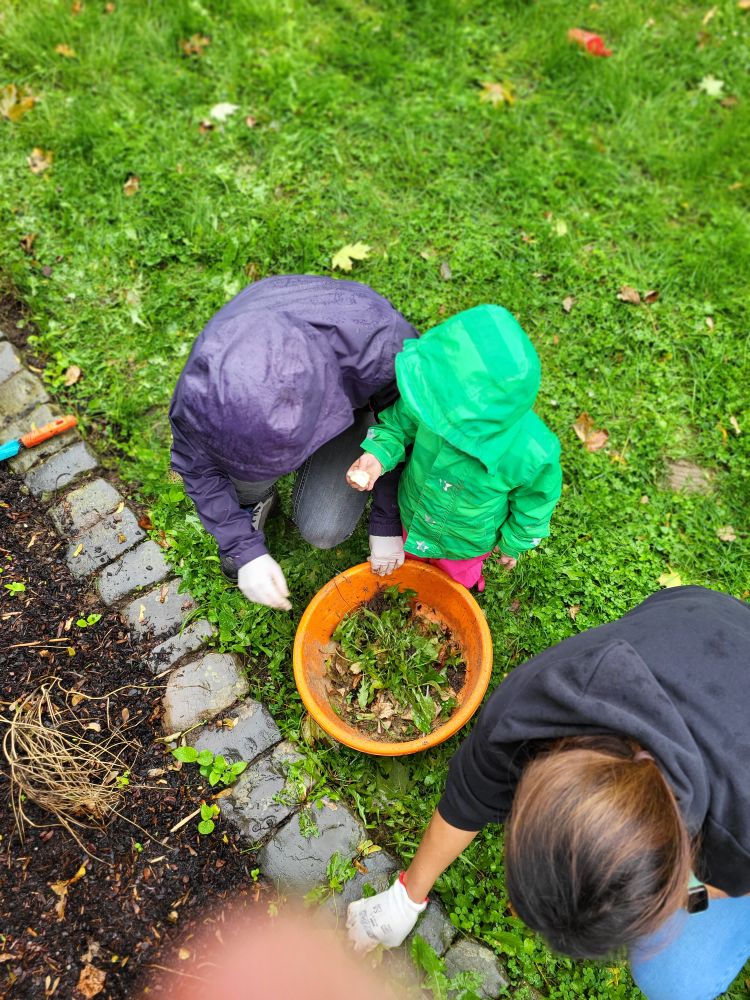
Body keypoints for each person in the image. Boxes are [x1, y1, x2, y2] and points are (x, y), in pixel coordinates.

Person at [347, 586, 750, 1000]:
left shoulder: (740, 831)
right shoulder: (531, 708)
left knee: (674, 982)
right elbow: (468, 796)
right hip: (702, 619)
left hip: (714, 676)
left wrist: (691, 895)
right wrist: (406, 897)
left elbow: (716, 885)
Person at [169, 275, 417, 610]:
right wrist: (243, 548)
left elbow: (402, 425)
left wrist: (387, 516)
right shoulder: (205, 390)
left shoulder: (382, 349)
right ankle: (253, 499)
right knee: (241, 481)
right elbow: (196, 469)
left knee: (324, 528)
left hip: (354, 403)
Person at [346, 305, 561, 591]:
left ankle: (454, 589)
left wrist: (514, 542)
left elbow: (535, 503)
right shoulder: (433, 399)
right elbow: (397, 426)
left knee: (452, 583)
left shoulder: (533, 452)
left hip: (468, 540)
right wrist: (377, 456)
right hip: (415, 510)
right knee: (406, 565)